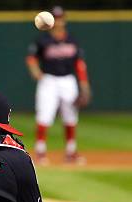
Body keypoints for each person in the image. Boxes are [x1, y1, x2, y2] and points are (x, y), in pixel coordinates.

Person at [26, 6, 91, 164]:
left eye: (61, 17)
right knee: (44, 115)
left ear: (64, 20)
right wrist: (35, 70)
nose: (59, 21)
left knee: (70, 116)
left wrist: (84, 84)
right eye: (56, 17)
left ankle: (71, 151)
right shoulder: (43, 40)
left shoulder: (72, 40)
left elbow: (80, 64)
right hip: (48, 80)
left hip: (68, 80)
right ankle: (40, 152)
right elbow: (31, 58)